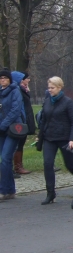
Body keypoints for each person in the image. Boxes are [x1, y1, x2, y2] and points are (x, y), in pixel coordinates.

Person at [38, 76, 73, 205]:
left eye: (52, 88)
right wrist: (40, 136)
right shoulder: (47, 102)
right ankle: (50, 193)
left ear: (60, 88)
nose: (50, 90)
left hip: (65, 139)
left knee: (70, 165)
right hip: (49, 138)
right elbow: (43, 120)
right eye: (49, 87)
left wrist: (72, 139)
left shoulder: (68, 102)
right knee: (48, 164)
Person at [0, 69, 24, 201]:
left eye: (5, 78)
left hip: (13, 128)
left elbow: (15, 110)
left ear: (9, 79)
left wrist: (3, 125)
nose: (2, 80)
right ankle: (10, 190)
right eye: (1, 78)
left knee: (5, 157)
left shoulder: (15, 90)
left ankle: (3, 190)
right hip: (1, 130)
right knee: (5, 161)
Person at [11, 71, 34, 177]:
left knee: (21, 142)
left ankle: (18, 165)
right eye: (24, 79)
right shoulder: (18, 90)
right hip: (19, 120)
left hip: (25, 118)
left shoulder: (23, 90)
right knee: (18, 143)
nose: (27, 80)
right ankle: (17, 167)